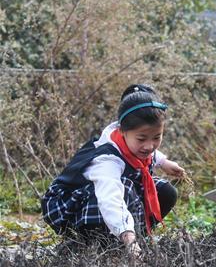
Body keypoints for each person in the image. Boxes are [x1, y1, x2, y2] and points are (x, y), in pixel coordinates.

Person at [41, 84, 184, 255]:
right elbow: (110, 199)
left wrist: (164, 162)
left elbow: (148, 151)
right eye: (142, 138)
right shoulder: (107, 160)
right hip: (69, 205)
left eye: (157, 137)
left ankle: (132, 240)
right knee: (125, 187)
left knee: (166, 191)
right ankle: (87, 244)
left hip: (107, 194)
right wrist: (127, 236)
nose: (149, 145)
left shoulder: (134, 145)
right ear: (122, 131)